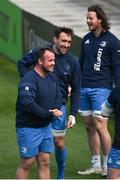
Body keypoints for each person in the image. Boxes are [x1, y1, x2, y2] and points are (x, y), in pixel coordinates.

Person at [17, 27, 81, 179]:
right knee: (28, 162)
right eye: (64, 40)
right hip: (35, 115)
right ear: (55, 40)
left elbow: (77, 88)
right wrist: (32, 83)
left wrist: (72, 113)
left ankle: (60, 176)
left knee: (51, 152)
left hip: (57, 106)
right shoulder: (40, 53)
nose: (66, 44)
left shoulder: (72, 62)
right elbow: (22, 63)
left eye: (69, 42)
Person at [78, 4, 120, 176]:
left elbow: (117, 70)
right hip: (84, 88)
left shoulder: (113, 42)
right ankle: (95, 164)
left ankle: (108, 166)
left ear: (100, 20)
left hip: (101, 89)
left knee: (100, 126)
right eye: (87, 18)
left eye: (91, 18)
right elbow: (81, 65)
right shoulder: (86, 39)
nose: (88, 21)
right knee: (89, 126)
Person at [15, 47, 62, 179]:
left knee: (45, 161)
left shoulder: (52, 78)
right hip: (28, 127)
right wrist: (48, 114)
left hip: (45, 127)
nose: (53, 63)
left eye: (54, 60)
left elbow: (58, 96)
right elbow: (28, 104)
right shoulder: (28, 80)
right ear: (40, 61)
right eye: (50, 60)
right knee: (27, 163)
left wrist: (57, 108)